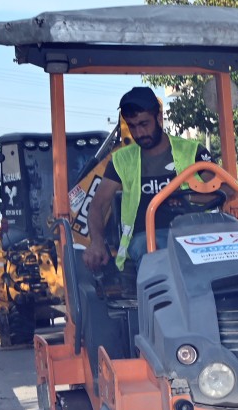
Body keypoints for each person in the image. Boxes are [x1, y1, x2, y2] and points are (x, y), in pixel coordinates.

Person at [81, 86, 222, 275]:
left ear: (159, 118)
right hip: (145, 240)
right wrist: (97, 242)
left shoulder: (192, 151)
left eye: (144, 124)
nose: (139, 133)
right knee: (160, 249)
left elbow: (224, 190)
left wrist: (188, 198)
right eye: (132, 126)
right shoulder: (122, 160)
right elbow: (98, 205)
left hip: (192, 236)